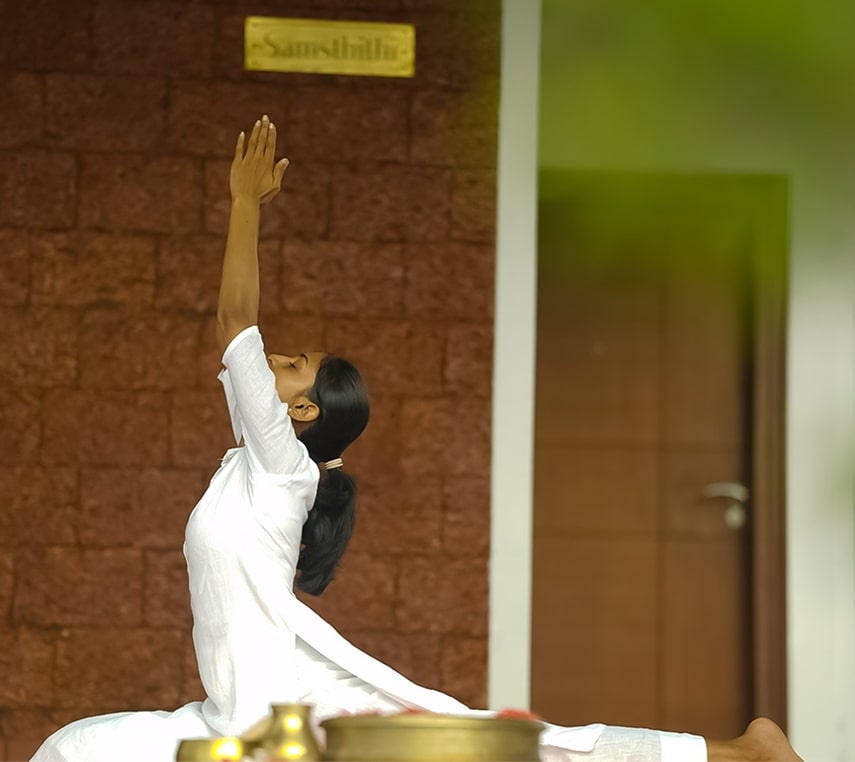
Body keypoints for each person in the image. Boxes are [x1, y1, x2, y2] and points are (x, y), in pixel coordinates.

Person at [30, 116, 803, 762]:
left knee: (510, 751)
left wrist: (244, 204)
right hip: (240, 717)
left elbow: (236, 322)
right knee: (71, 750)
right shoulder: (256, 454)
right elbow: (236, 346)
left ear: (299, 413)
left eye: (292, 365)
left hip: (285, 727)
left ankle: (738, 754)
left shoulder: (279, 467)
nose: (276, 360)